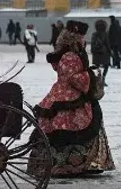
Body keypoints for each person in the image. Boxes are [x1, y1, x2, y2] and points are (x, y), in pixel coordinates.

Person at [30, 21, 114, 177]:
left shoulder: (67, 53)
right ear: (75, 38)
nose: (83, 39)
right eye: (81, 36)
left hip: (62, 93)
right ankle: (69, 165)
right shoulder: (71, 55)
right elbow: (73, 77)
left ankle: (73, 164)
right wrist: (89, 76)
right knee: (74, 125)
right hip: (70, 96)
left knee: (62, 127)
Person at [90, 20, 111, 85]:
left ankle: (98, 79)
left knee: (97, 66)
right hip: (104, 52)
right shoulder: (105, 34)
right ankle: (103, 78)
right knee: (106, 66)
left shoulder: (94, 34)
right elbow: (107, 44)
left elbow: (92, 43)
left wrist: (92, 50)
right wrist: (109, 51)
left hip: (96, 52)